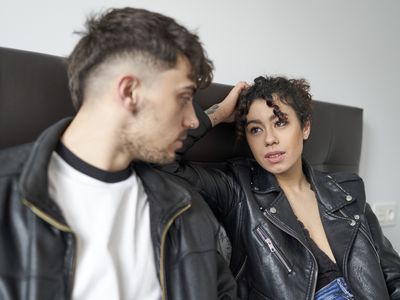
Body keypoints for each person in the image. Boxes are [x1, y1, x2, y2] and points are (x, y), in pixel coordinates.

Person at [0, 7, 239, 300]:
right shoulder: (5, 197)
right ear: (129, 92)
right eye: (184, 98)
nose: (192, 120)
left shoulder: (188, 211)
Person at [166, 76, 400, 299]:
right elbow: (160, 163)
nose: (269, 139)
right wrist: (216, 114)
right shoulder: (237, 190)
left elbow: (392, 275)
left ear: (305, 127)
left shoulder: (346, 191)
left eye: (280, 123)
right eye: (255, 129)